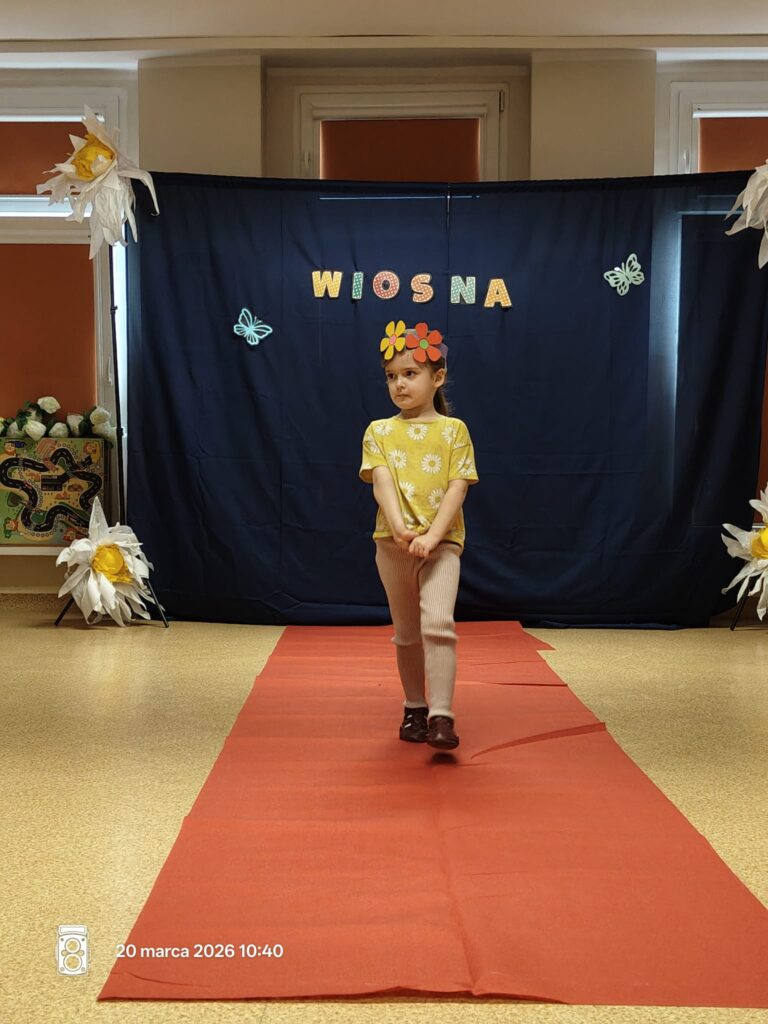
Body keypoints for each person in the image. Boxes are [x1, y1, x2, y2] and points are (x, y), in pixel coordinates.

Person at [359, 320, 479, 750]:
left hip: (441, 545)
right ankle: (415, 707)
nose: (399, 384)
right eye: (392, 376)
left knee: (439, 624)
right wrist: (398, 528)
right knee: (407, 632)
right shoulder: (379, 431)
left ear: (437, 377)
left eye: (410, 374)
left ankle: (442, 715)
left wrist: (434, 537)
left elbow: (457, 487)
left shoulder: (453, 430)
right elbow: (382, 481)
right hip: (393, 546)